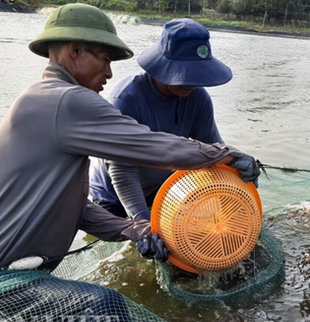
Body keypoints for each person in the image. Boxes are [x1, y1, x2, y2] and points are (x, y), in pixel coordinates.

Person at [0, 4, 259, 322]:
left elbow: (73, 206)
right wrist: (224, 153)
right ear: (75, 50)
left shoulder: (45, 101)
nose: (108, 73)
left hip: (21, 274)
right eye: (104, 59)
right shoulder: (68, 101)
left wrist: (131, 230)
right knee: (101, 306)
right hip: (5, 280)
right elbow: (154, 147)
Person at [90, 18, 231, 220]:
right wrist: (141, 223)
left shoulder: (198, 98)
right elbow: (122, 171)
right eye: (185, 74)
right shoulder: (126, 99)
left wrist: (233, 163)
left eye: (197, 74)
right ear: (163, 67)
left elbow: (212, 151)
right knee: (134, 243)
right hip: (114, 196)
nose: (192, 83)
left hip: (160, 192)